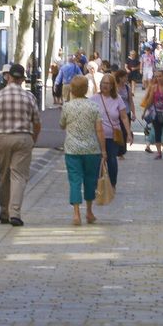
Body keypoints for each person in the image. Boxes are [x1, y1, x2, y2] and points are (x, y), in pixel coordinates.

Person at [0, 62, 41, 227]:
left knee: (4, 175)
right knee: (19, 176)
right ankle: (15, 212)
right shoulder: (29, 97)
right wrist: (33, 139)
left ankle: (4, 212)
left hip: (2, 137)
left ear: (9, 77)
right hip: (23, 137)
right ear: (22, 80)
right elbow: (37, 123)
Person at [61, 74, 105, 225]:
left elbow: (61, 124)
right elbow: (99, 130)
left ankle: (76, 214)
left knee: (75, 180)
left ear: (72, 89)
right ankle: (89, 211)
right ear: (86, 89)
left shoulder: (67, 107)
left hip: (72, 150)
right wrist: (103, 149)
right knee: (90, 180)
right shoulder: (93, 106)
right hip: (92, 150)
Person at [96, 73, 132, 188]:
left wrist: (128, 132)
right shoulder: (94, 99)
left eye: (107, 83)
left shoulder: (117, 99)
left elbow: (124, 116)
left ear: (112, 86)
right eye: (103, 83)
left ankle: (112, 183)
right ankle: (99, 183)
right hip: (97, 136)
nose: (105, 86)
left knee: (111, 159)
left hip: (112, 135)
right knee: (98, 160)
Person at [141, 70, 163, 159]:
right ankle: (159, 152)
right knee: (157, 133)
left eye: (160, 76)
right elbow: (150, 100)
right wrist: (144, 112)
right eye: (156, 76)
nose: (158, 78)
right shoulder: (154, 87)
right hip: (156, 114)